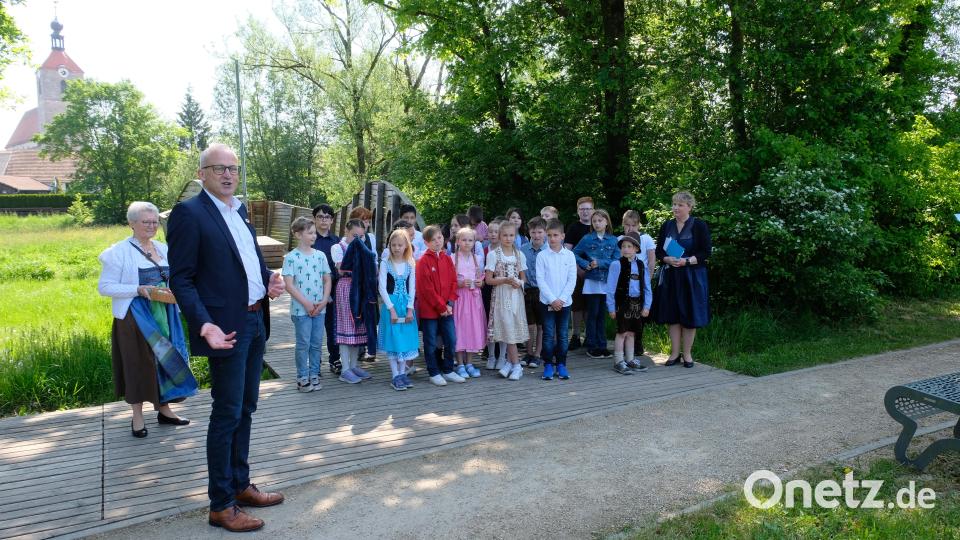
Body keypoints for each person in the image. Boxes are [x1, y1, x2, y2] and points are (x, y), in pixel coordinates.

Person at [168, 143, 286, 533]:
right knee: (226, 413)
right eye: (218, 168)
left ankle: (240, 485)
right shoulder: (190, 214)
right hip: (225, 329)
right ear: (202, 174)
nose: (228, 174)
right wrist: (203, 323)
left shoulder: (241, 211)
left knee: (246, 408)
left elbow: (247, 261)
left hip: (255, 320)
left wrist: (270, 280)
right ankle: (221, 504)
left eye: (233, 168)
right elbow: (181, 278)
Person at [98, 201, 195, 439]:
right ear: (131, 224)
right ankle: (137, 416)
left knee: (167, 360)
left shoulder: (163, 248)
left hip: (166, 313)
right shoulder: (118, 252)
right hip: (136, 317)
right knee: (139, 364)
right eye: (146, 222)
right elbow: (105, 287)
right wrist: (138, 289)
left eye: (155, 222)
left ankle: (165, 410)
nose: (152, 226)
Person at [654, 191, 712, 368]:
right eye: (674, 204)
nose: (675, 208)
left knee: (689, 314)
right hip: (672, 276)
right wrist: (667, 259)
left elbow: (706, 252)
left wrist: (686, 261)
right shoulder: (667, 225)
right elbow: (659, 252)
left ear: (689, 207)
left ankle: (687, 355)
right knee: (673, 315)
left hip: (692, 277)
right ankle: (673, 353)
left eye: (679, 205)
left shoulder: (699, 225)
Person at [282, 217, 332, 392]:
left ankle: (314, 374)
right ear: (298, 234)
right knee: (303, 343)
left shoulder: (320, 256)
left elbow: (327, 279)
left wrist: (324, 300)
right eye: (309, 233)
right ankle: (302, 377)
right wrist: (306, 303)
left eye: (314, 233)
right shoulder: (291, 258)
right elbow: (289, 284)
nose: (314, 236)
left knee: (317, 343)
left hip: (320, 308)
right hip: (300, 309)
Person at [417, 225, 465, 386]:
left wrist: (450, 303)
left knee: (451, 340)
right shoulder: (423, 261)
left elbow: (453, 282)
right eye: (433, 240)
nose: (437, 242)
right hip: (430, 311)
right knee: (430, 342)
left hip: (448, 308)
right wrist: (442, 307)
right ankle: (434, 372)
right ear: (426, 242)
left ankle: (448, 369)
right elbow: (426, 289)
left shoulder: (447, 258)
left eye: (439, 238)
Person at [331, 220, 376, 383]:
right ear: (346, 231)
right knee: (346, 327)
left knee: (358, 326)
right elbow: (342, 268)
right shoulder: (338, 248)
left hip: (361, 288)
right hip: (346, 287)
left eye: (361, 236)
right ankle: (345, 369)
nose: (358, 239)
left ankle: (354, 365)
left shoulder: (364, 248)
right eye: (354, 236)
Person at [485, 222, 529, 380]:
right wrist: (505, 280)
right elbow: (489, 280)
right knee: (507, 329)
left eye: (511, 235)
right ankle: (515, 365)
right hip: (501, 297)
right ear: (499, 236)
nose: (508, 238)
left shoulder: (519, 255)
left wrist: (519, 282)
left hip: (515, 296)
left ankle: (512, 364)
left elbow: (524, 278)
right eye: (505, 235)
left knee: (513, 328)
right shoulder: (493, 254)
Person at [573, 209, 618, 360]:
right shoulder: (587, 238)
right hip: (592, 281)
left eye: (600, 220)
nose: (597, 223)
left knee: (602, 315)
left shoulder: (613, 240)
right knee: (592, 314)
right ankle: (591, 346)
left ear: (606, 222)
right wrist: (585, 264)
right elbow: (574, 253)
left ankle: (602, 345)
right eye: (595, 221)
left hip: (606, 282)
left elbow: (617, 260)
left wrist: (600, 262)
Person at [377, 229, 419, 391]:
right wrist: (391, 309)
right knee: (393, 339)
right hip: (391, 305)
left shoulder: (410, 264)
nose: (396, 248)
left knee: (405, 340)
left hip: (405, 306)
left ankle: (402, 374)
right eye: (393, 245)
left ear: (406, 246)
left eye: (400, 245)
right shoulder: (385, 264)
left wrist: (410, 309)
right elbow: (382, 287)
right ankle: (395, 374)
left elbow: (412, 288)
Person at [536, 219, 577, 380]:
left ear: (562, 236)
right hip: (547, 302)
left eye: (555, 235)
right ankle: (547, 364)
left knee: (562, 334)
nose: (552, 238)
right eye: (549, 235)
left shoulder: (569, 255)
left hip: (565, 302)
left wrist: (562, 299)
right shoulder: (542, 256)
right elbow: (541, 280)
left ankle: (561, 364)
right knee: (548, 334)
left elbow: (571, 279)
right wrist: (553, 299)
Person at [606, 232, 652, 375]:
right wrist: (611, 307)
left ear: (636, 249)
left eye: (629, 246)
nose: (626, 249)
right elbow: (610, 288)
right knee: (622, 332)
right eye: (623, 246)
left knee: (632, 333)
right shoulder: (616, 265)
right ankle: (619, 361)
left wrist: (647, 306)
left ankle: (630, 359)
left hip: (637, 304)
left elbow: (647, 287)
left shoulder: (641, 265)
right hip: (622, 304)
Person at [620, 209, 657, 355]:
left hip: (641, 282)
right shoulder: (621, 240)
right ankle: (624, 342)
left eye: (633, 225)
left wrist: (649, 277)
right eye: (627, 225)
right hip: (625, 283)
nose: (630, 228)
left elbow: (652, 259)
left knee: (640, 314)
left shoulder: (646, 238)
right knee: (625, 312)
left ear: (639, 225)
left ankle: (638, 341)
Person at [311, 203, 342, 375]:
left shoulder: (337, 241)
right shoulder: (310, 239)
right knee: (315, 329)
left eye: (327, 217)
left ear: (332, 220)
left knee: (333, 326)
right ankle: (315, 363)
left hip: (335, 290)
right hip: (314, 291)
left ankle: (335, 359)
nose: (324, 220)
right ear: (314, 219)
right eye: (320, 216)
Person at [452, 227, 486, 379]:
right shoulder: (453, 258)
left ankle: (470, 362)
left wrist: (480, 282)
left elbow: (482, 278)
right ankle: (459, 363)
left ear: (474, 242)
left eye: (470, 240)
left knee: (472, 328)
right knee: (460, 329)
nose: (467, 243)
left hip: (473, 299)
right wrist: (459, 283)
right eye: (464, 240)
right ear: (458, 241)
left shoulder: (477, 259)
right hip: (459, 299)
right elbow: (448, 281)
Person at [564, 196, 595, 350]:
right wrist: (579, 270)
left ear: (593, 210)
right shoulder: (573, 228)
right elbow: (567, 252)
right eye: (582, 209)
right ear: (578, 211)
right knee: (577, 306)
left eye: (588, 209)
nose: (585, 212)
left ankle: (589, 335)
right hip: (577, 272)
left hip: (596, 274)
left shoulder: (598, 226)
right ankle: (575, 335)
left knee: (591, 306)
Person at [519, 217, 547, 369]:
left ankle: (538, 354)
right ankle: (529, 352)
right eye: (533, 232)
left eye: (539, 232)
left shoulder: (549, 250)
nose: (536, 235)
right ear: (528, 232)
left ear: (545, 233)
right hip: (527, 291)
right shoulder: (522, 249)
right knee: (529, 325)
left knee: (541, 325)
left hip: (543, 291)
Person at [482, 219, 507, 369]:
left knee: (503, 322)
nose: (492, 234)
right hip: (487, 291)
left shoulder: (506, 251)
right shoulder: (484, 250)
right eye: (490, 231)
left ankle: (502, 356)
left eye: (496, 231)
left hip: (503, 290)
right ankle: (491, 356)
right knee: (490, 323)